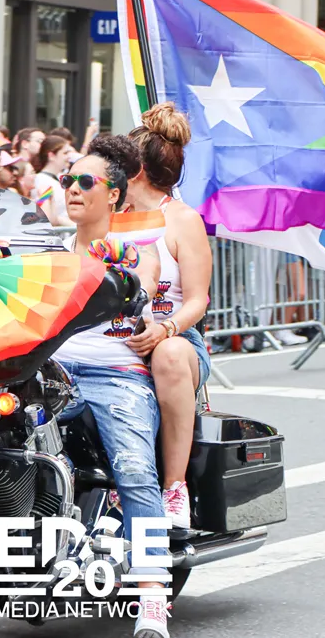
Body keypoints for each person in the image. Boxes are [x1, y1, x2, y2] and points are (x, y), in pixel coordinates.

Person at [49, 135, 171, 638]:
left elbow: (144, 283)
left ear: (115, 195)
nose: (73, 189)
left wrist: (128, 280)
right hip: (50, 375)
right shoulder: (51, 252)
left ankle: (152, 599)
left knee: (135, 470)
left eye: (85, 181)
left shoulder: (139, 250)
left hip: (116, 375)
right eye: (67, 180)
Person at [122, 103, 212, 530]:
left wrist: (166, 329)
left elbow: (197, 300)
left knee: (170, 355)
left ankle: (174, 486)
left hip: (175, 338)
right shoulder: (109, 217)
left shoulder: (183, 220)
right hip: (113, 335)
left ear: (135, 169)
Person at [31, 134, 73, 226]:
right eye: (65, 153)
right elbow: (47, 216)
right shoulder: (41, 181)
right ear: (51, 155)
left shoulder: (62, 177)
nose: (69, 156)